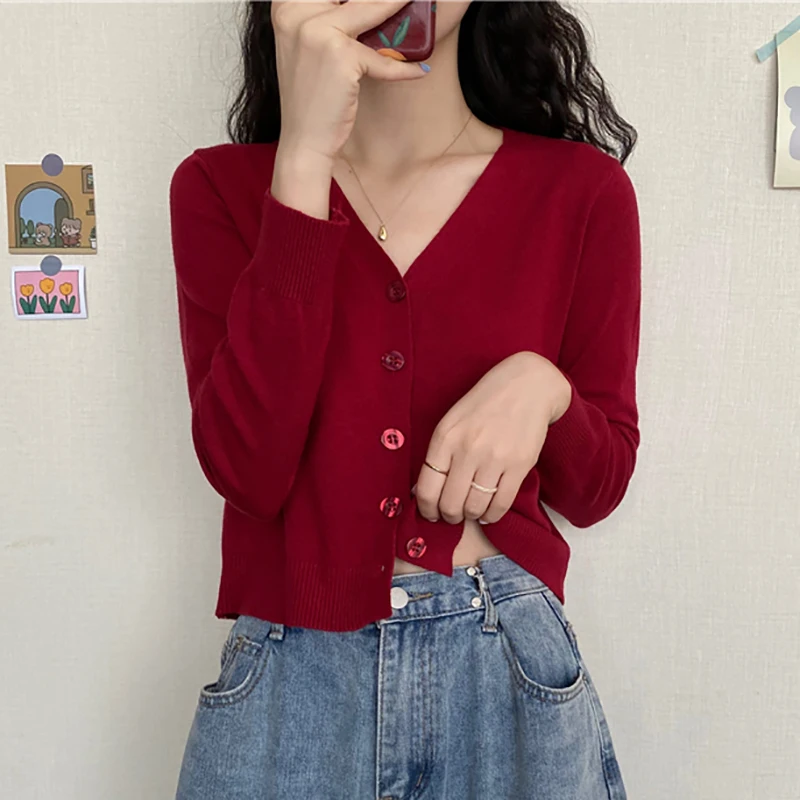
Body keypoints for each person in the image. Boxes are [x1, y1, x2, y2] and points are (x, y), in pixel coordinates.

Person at [169, 1, 640, 798]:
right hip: (293, 681)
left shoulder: (582, 192)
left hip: (505, 671)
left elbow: (597, 488)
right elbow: (247, 470)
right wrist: (303, 161)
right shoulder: (220, 189)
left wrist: (546, 391)